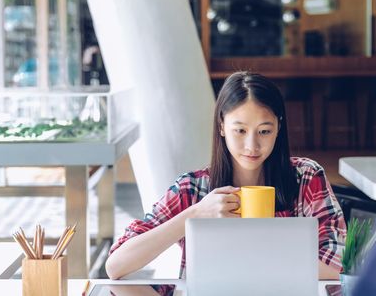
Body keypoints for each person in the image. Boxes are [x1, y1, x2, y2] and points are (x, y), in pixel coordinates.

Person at [106, 71, 346, 283]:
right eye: (240, 130)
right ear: (221, 126)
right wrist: (194, 214)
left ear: (278, 128)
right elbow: (116, 265)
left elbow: (335, 265)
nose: (252, 145)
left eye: (264, 131)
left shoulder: (305, 177)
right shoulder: (193, 188)